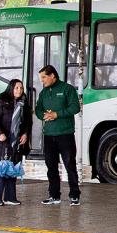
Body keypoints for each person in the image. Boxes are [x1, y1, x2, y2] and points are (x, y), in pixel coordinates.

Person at [34, 65, 81, 205]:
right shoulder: (43, 93)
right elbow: (37, 109)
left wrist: (56, 114)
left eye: (44, 77)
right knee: (51, 166)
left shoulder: (67, 89)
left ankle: (74, 195)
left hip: (65, 134)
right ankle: (54, 195)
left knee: (69, 165)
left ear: (52, 75)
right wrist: (43, 115)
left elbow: (75, 107)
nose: (42, 81)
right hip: (49, 135)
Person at [0, 79, 30, 206]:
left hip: (15, 141)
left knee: (12, 169)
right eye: (16, 88)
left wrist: (25, 134)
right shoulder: (1, 103)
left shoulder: (23, 105)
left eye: (21, 88)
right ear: (11, 88)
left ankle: (10, 197)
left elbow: (27, 122)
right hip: (2, 141)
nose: (19, 90)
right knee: (1, 169)